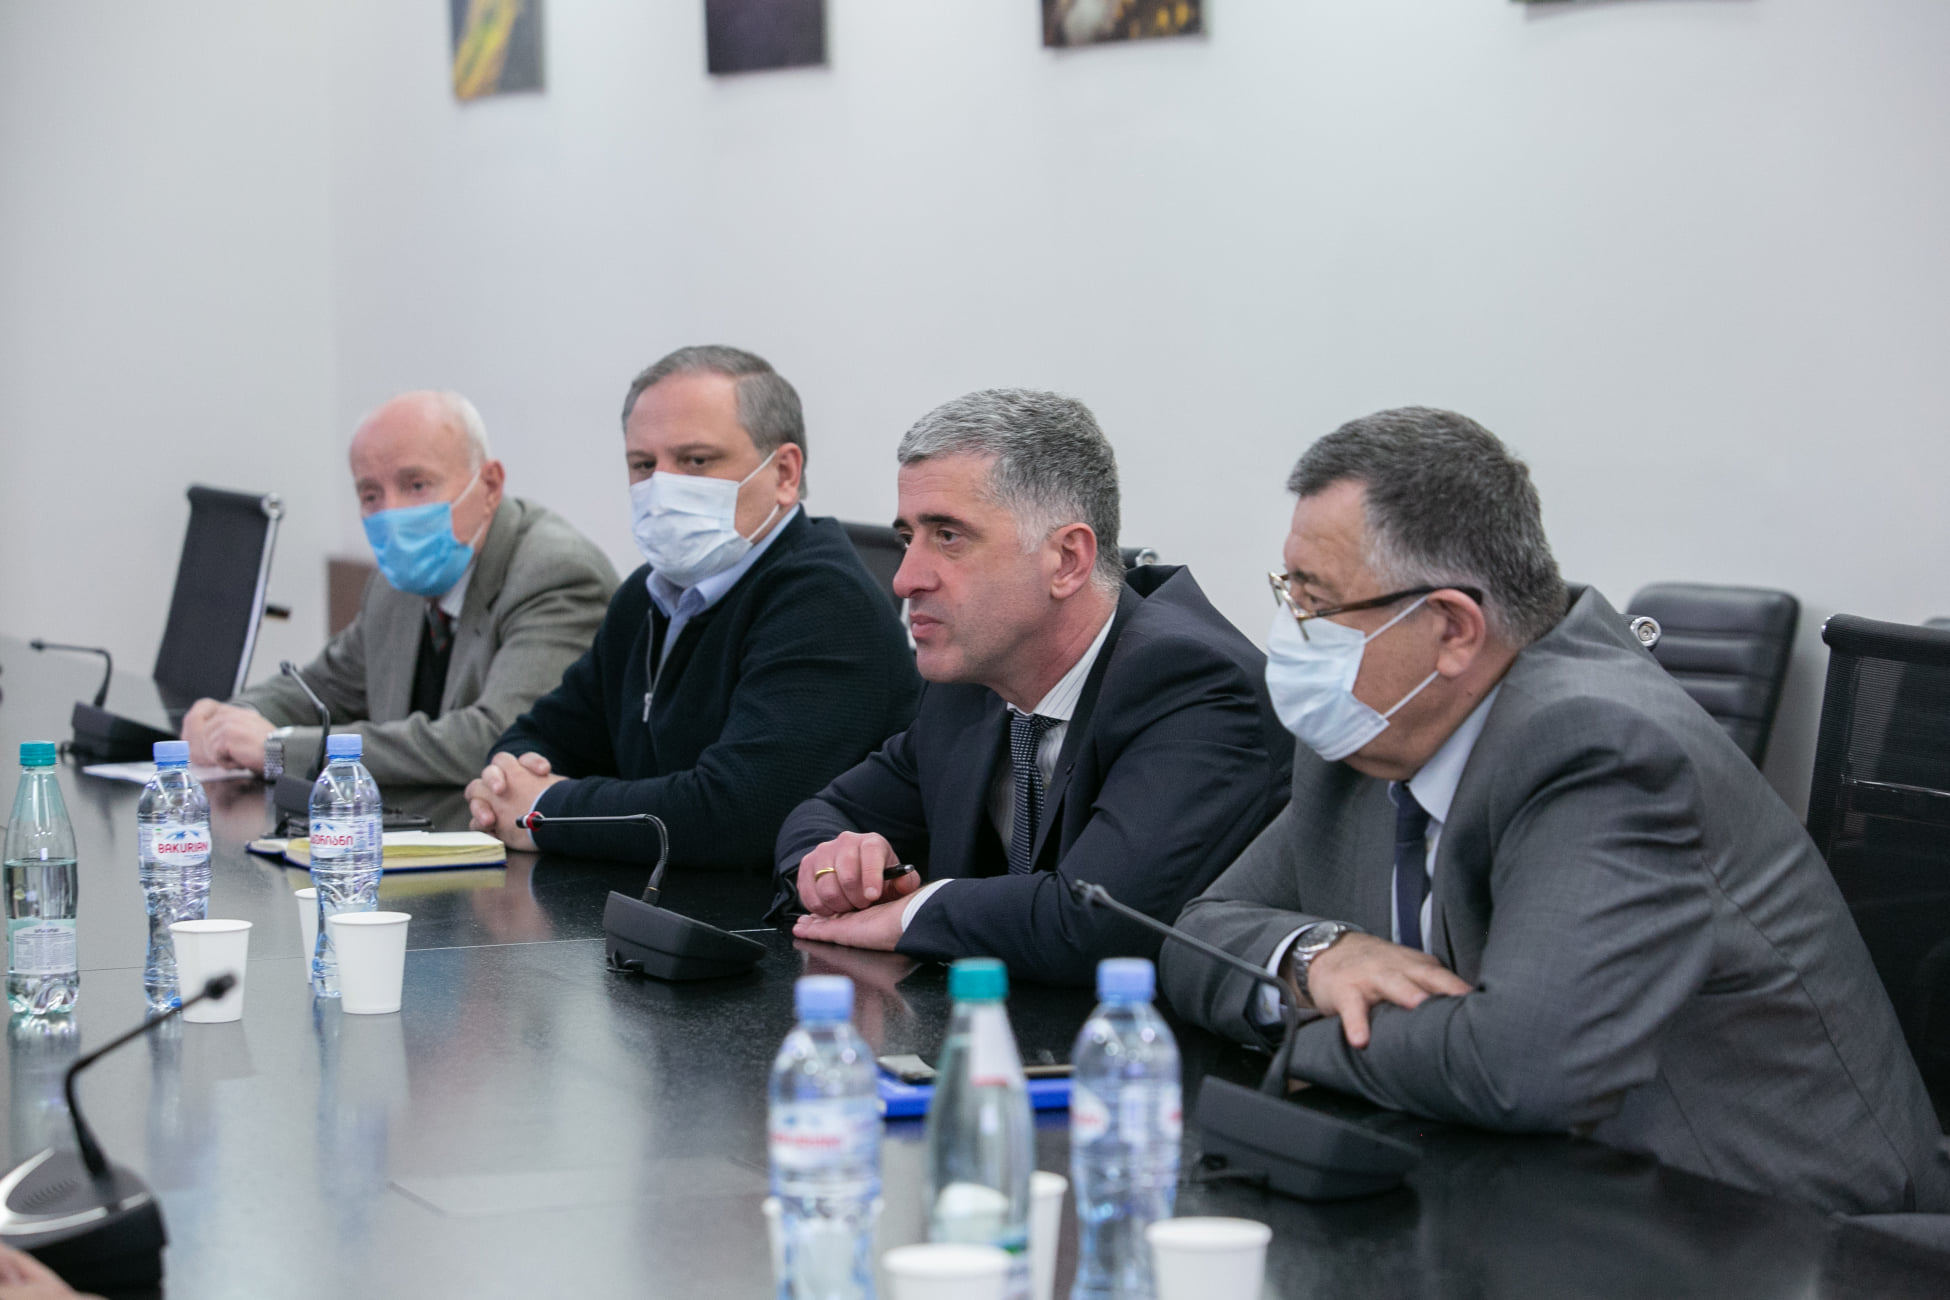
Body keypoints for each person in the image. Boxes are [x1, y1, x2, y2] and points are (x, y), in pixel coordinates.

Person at [1162, 406, 1950, 1214]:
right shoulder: (1370, 725)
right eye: (1287, 589)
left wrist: (1304, 1040)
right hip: (1519, 1184)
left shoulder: (1599, 746)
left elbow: (1519, 1065)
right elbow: (1197, 934)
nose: (1290, 632)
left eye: (1315, 601)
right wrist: (1316, 960)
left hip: (1773, 1224)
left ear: (1453, 629)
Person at [773, 389, 1293, 986]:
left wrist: (910, 913)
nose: (905, 579)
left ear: (1067, 560)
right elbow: (826, 812)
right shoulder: (974, 675)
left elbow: (1095, 921)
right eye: (906, 538)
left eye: (948, 536)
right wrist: (834, 868)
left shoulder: (1192, 683)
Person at [465, 346, 921, 868]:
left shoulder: (824, 601)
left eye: (696, 461)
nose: (662, 486)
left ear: (784, 473)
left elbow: (738, 814)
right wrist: (506, 783)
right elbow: (542, 734)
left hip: (767, 914)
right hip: (648, 902)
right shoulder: (646, 595)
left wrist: (544, 810)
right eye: (644, 465)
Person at [182, 391, 616, 787]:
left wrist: (280, 750)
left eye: (416, 485)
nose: (391, 514)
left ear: (489, 486)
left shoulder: (555, 574)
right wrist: (230, 719)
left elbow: (496, 741)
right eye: (371, 494)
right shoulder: (397, 582)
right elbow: (321, 689)